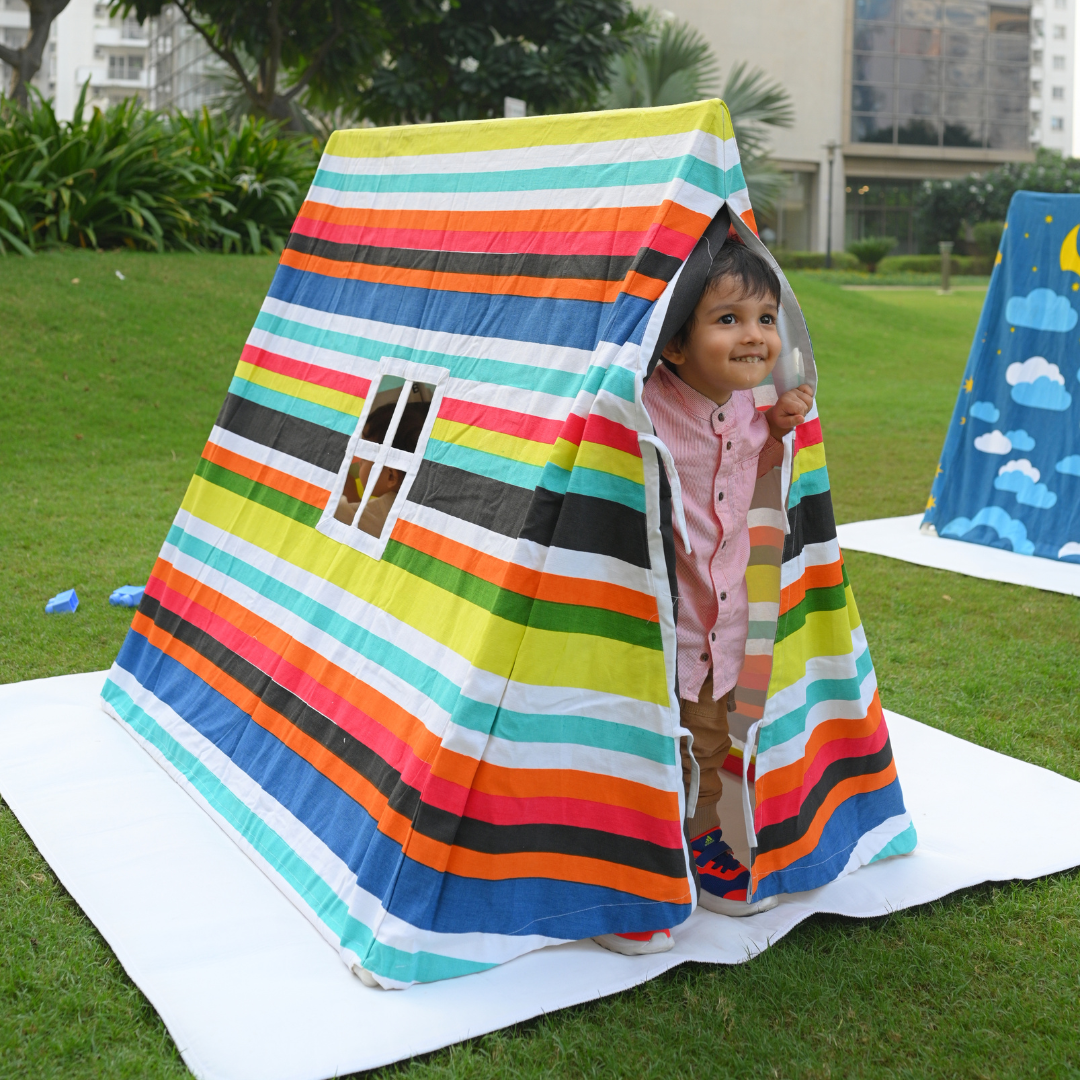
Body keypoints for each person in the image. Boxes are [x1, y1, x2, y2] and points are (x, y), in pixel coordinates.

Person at [594, 238, 814, 957]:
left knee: (707, 747)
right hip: (646, 629)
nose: (753, 335)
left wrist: (780, 425)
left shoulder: (751, 410)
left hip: (716, 633)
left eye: (765, 317)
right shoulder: (648, 399)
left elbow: (759, 468)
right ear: (676, 346)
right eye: (727, 319)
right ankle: (628, 877)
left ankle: (700, 845)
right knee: (638, 749)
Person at [335, 400, 430, 537]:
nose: (360, 463)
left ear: (391, 476)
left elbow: (340, 513)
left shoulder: (390, 511)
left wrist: (348, 493)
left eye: (365, 458)